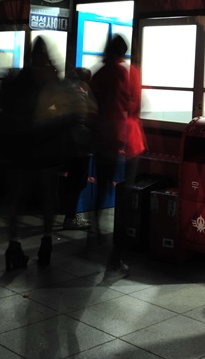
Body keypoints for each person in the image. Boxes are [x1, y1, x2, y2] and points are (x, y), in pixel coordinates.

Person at [0, 36, 64, 270]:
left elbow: (4, 106)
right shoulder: (51, 80)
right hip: (46, 148)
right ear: (45, 56)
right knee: (48, 196)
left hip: (19, 148)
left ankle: (14, 246)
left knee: (16, 197)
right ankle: (46, 242)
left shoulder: (19, 78)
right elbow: (59, 111)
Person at [90, 33, 132, 276]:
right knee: (117, 186)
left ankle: (94, 222)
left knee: (101, 181)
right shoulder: (121, 72)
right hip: (115, 134)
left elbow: (92, 101)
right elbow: (127, 101)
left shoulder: (99, 72)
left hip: (99, 135)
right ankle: (114, 239)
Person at [59, 67, 95, 230]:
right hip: (78, 147)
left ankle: (69, 215)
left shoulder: (63, 92)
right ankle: (70, 218)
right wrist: (90, 139)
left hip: (65, 144)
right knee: (77, 182)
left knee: (70, 182)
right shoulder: (79, 95)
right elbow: (79, 123)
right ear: (84, 80)